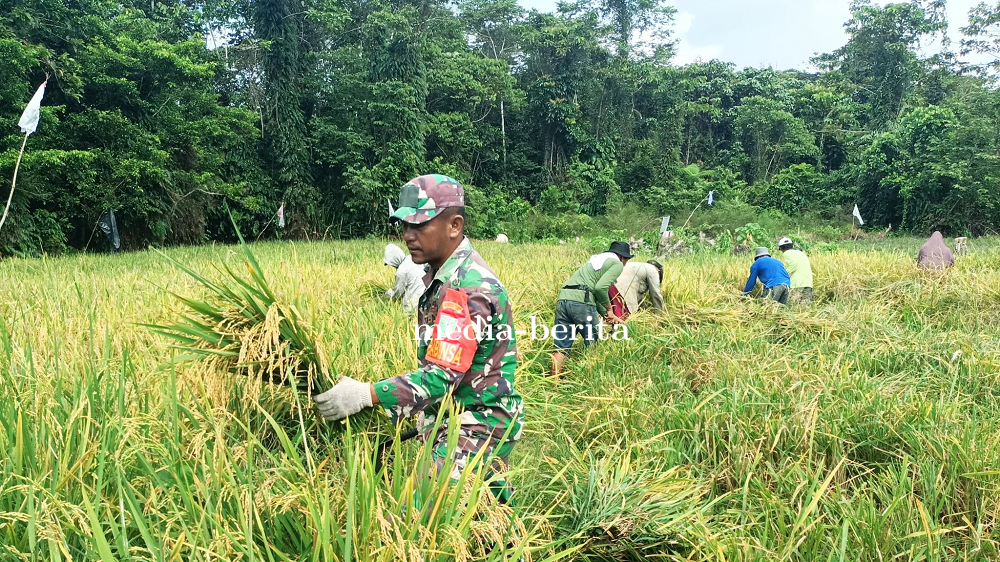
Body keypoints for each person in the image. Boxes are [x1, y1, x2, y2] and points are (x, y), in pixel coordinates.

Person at [314, 174, 524, 501]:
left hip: (476, 424)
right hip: (460, 415)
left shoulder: (466, 288)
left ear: (454, 225)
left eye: (420, 225)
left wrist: (366, 394)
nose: (408, 235)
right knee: (486, 513)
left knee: (422, 512)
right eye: (404, 225)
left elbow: (442, 374)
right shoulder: (442, 276)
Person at [550, 241, 632, 378]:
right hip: (582, 303)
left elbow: (592, 293)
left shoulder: (594, 261)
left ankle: (554, 385)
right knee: (593, 346)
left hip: (563, 299)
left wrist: (608, 315)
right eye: (626, 261)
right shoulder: (616, 263)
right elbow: (600, 288)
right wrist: (610, 310)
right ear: (622, 257)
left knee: (560, 347)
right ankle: (591, 383)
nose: (625, 264)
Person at [383, 243, 426, 315]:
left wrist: (389, 294)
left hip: (414, 305)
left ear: (395, 260)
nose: (393, 266)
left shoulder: (401, 272)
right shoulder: (412, 258)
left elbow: (398, 293)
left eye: (392, 264)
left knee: (408, 317)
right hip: (427, 296)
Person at [777, 237, 813, 304]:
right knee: (805, 306)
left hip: (797, 283)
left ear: (781, 248)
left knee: (793, 305)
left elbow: (794, 264)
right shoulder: (800, 253)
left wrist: (783, 274)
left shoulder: (786, 253)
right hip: (808, 282)